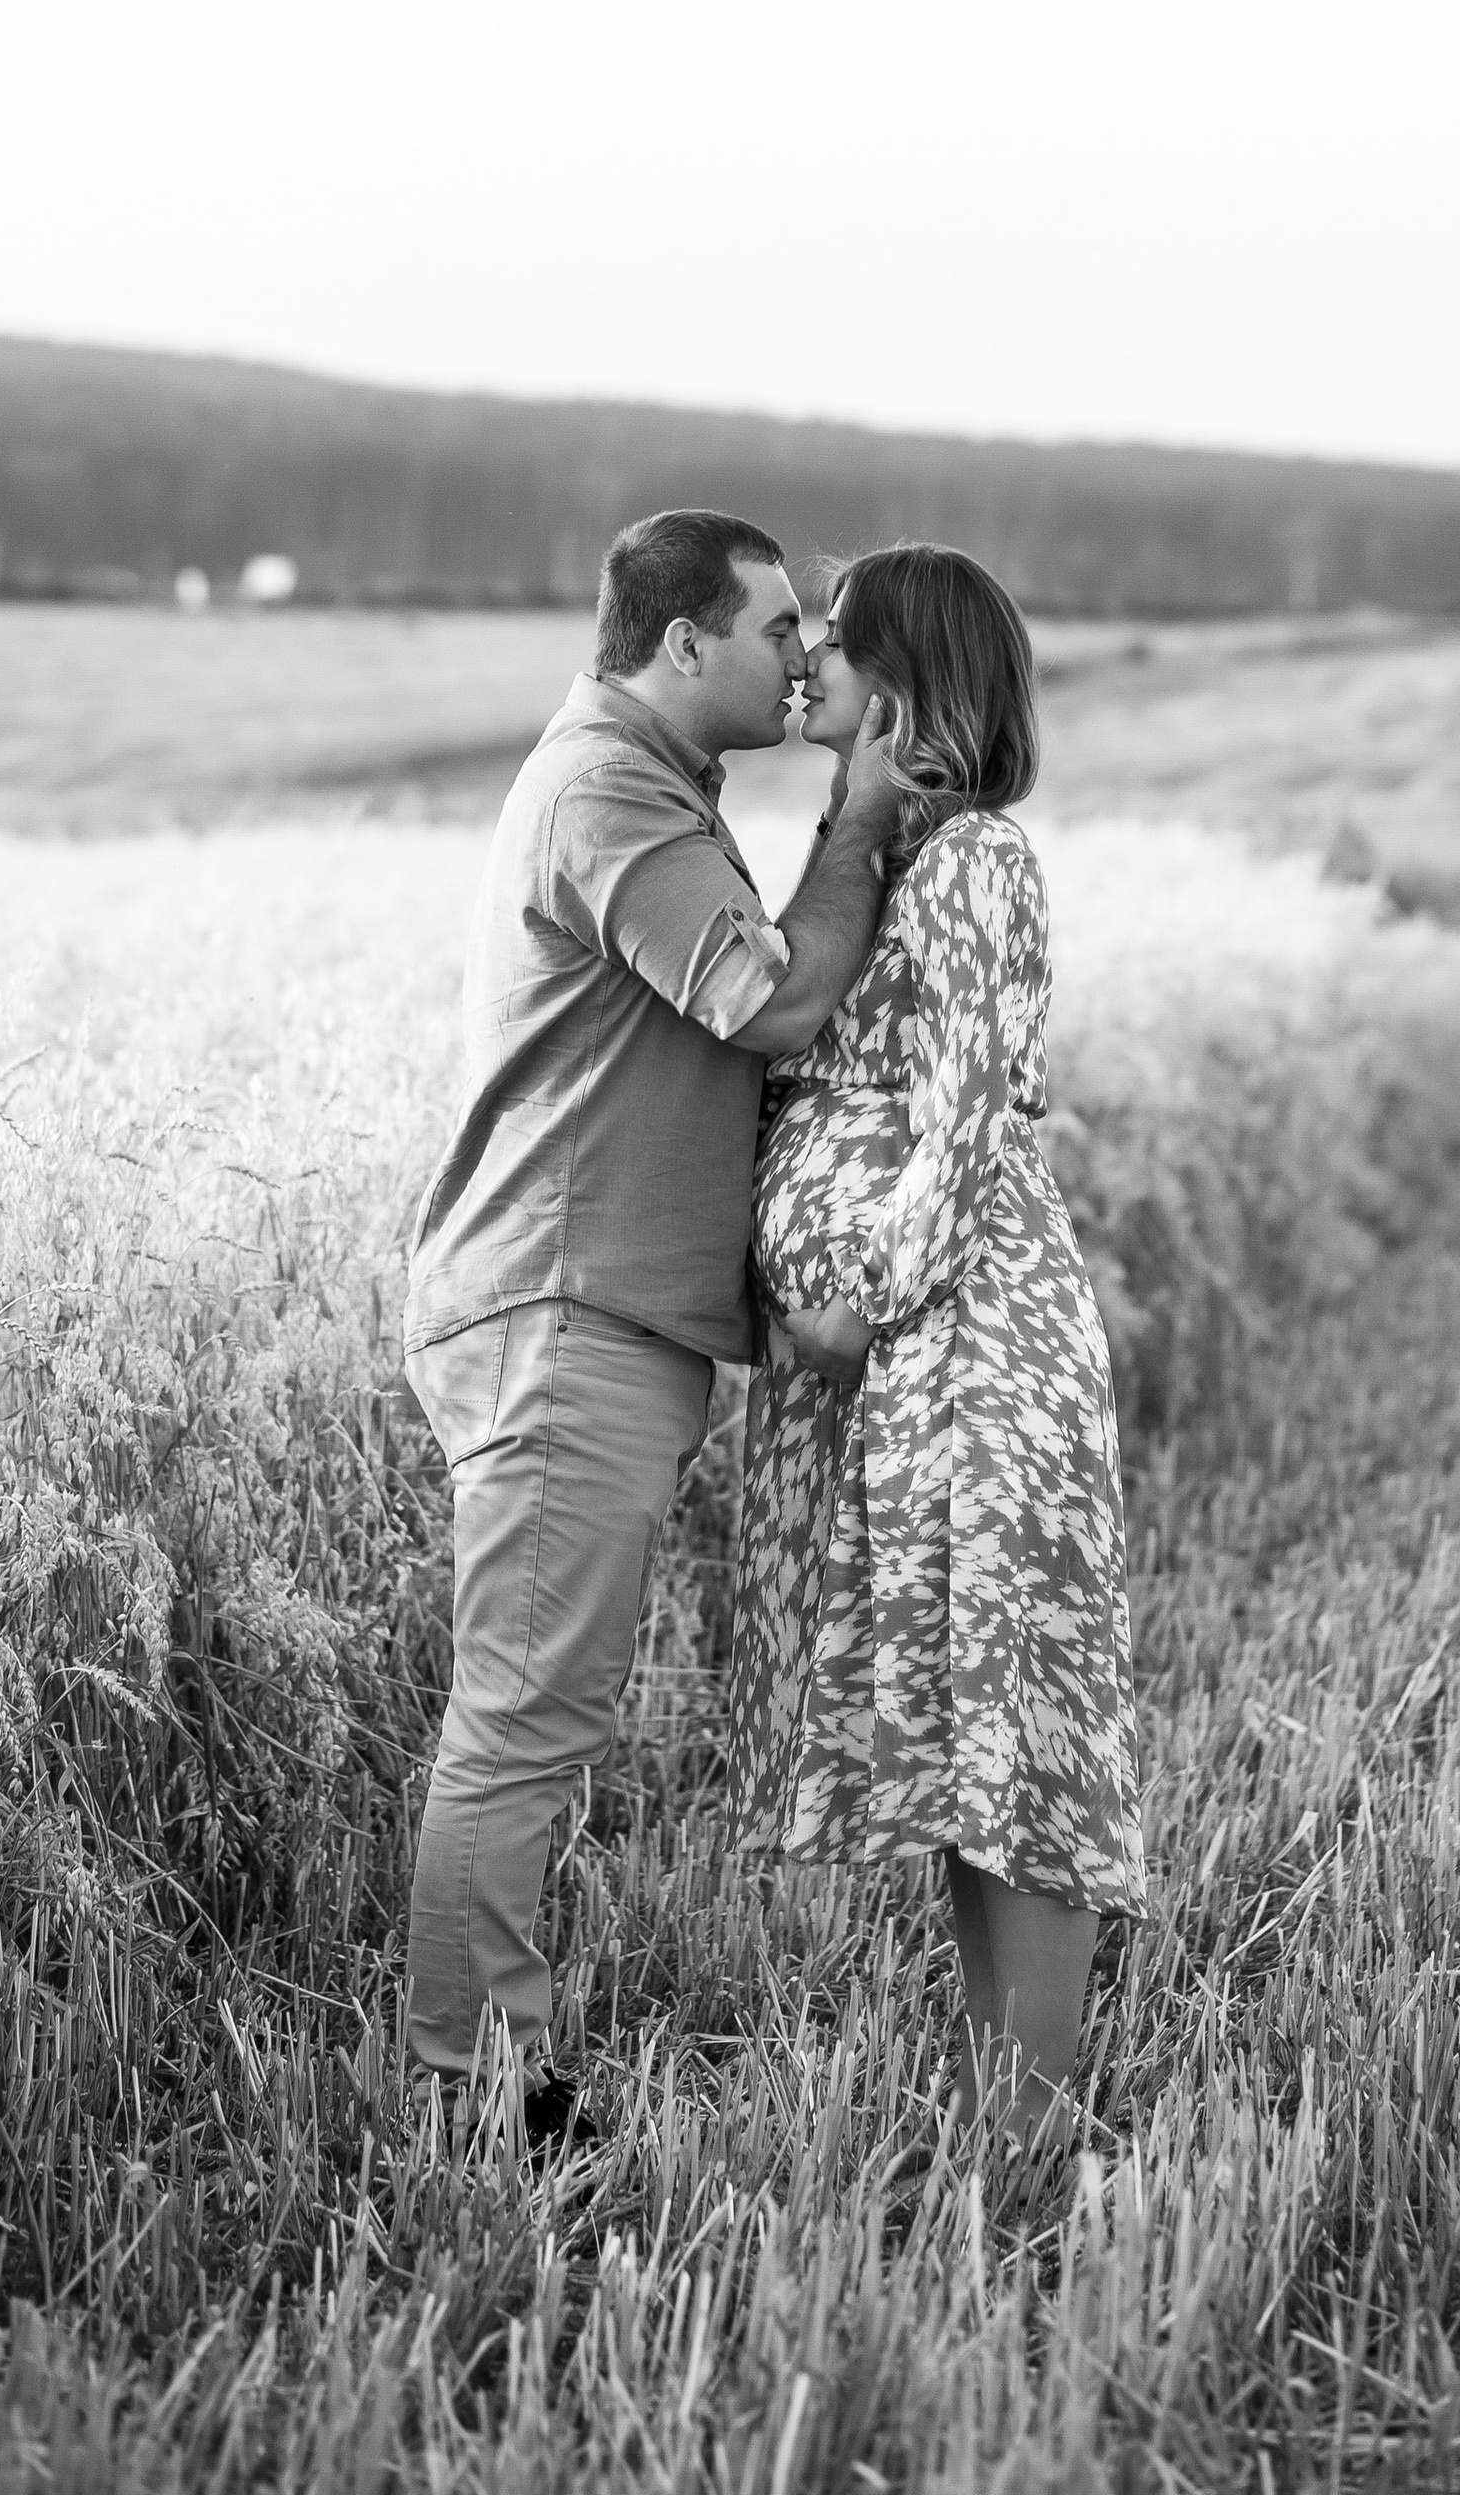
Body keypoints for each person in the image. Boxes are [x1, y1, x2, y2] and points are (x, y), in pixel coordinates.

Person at [402, 507, 904, 2145]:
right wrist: (859, 818)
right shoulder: (609, 791)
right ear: (684, 643)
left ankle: (488, 2074)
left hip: (594, 1312)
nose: (804, 661)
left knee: (540, 1714)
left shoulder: (646, 784)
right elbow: (772, 998)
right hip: (564, 1314)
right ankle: (468, 2102)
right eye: (777, 632)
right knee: (523, 1721)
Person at [725, 543, 1147, 2148]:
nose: (808, 660)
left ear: (907, 680)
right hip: (903, 1362)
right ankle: (1003, 2110)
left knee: (1013, 1733)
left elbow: (967, 1118)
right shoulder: (882, 858)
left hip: (967, 1346)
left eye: (838, 641)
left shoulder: (975, 860)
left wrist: (859, 1301)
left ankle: (1030, 2124)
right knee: (964, 1747)